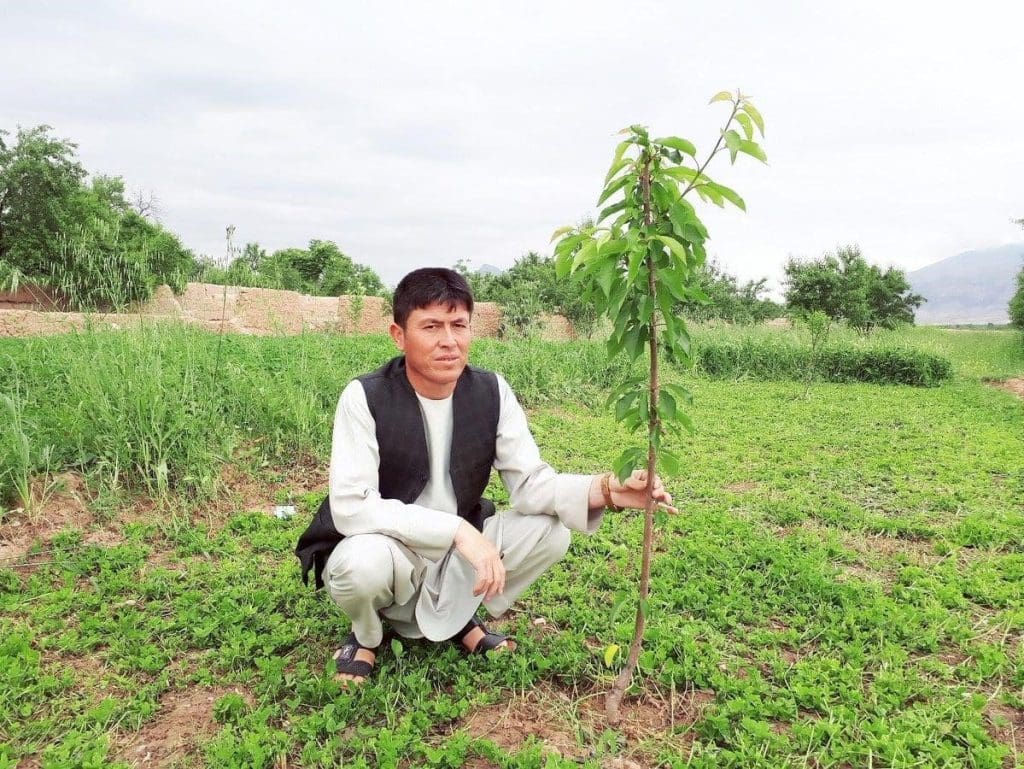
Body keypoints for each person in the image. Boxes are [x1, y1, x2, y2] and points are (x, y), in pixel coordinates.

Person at [295, 267, 675, 685]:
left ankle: (455, 618)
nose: (449, 341)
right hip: (391, 549)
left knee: (552, 531)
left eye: (459, 325)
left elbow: (530, 485)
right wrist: (457, 530)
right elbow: (351, 505)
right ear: (398, 335)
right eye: (431, 326)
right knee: (358, 565)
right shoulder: (365, 396)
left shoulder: (492, 391)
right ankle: (367, 635)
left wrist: (608, 490)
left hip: (458, 552)